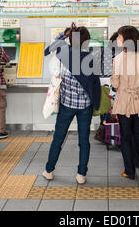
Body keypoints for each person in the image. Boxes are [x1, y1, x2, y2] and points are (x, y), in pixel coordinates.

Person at [43, 23, 101, 184]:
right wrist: (96, 103)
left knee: (58, 139)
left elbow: (48, 50)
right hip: (85, 107)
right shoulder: (90, 59)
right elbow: (95, 85)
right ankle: (81, 174)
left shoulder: (64, 52)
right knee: (84, 142)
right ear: (86, 41)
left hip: (67, 106)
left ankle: (49, 170)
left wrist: (64, 34)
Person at [111, 26, 139, 179]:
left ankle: (130, 171)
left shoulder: (118, 59)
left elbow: (115, 84)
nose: (117, 39)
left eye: (119, 36)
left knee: (125, 137)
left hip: (125, 102)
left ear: (125, 39)